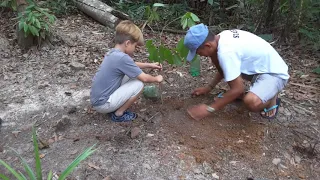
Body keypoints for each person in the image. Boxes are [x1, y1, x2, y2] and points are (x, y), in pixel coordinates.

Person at [184, 23, 289, 121]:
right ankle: (257, 91)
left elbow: (238, 89)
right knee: (217, 59)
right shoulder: (220, 38)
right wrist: (209, 87)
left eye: (198, 52)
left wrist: (209, 109)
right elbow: (223, 68)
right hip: (257, 68)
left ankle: (271, 98)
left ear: (207, 45)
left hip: (274, 73)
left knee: (251, 102)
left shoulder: (226, 52)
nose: (200, 55)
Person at [90, 20, 163, 122]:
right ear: (128, 43)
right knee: (139, 84)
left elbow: (131, 65)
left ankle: (114, 106)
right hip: (102, 104)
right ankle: (118, 114)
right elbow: (145, 78)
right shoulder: (122, 58)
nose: (135, 49)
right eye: (135, 46)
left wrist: (149, 65)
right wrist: (157, 78)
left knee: (131, 74)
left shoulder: (113, 53)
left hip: (97, 99)